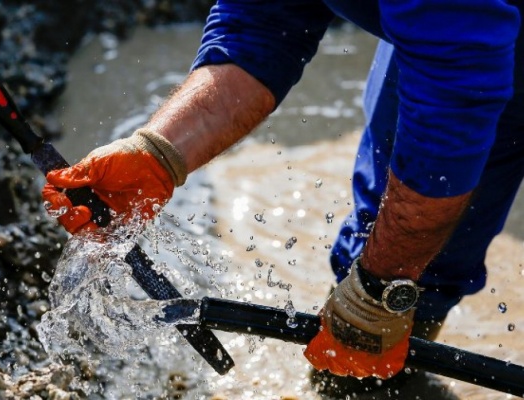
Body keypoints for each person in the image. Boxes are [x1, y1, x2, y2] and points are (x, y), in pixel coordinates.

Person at [42, 0, 524, 396]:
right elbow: (264, 25)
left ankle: (392, 338)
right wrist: (157, 155)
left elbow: (452, 113)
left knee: (406, 270)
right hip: (453, 30)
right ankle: (369, 372)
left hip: (465, 29)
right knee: (383, 244)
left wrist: (384, 291)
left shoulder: (455, 39)